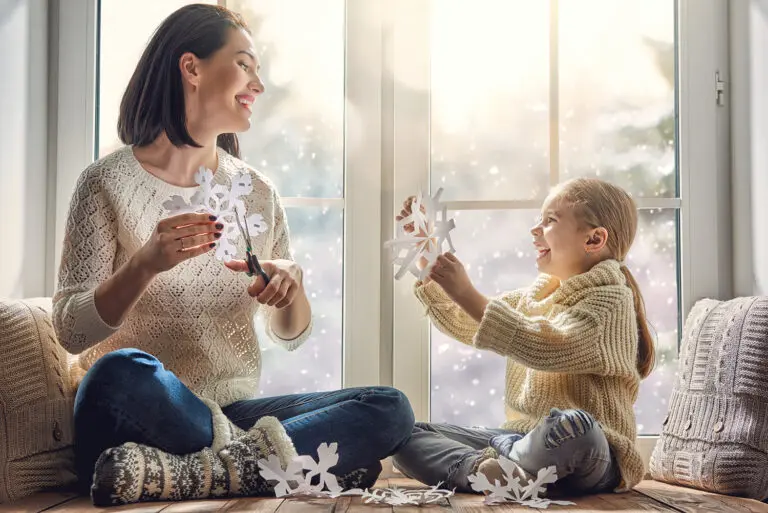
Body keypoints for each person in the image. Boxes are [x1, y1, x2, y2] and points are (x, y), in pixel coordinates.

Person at [53, 4, 413, 506]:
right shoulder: (105, 183)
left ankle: (195, 473)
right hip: (133, 415)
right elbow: (70, 330)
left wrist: (291, 290)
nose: (257, 85)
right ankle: (278, 467)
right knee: (119, 372)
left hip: (229, 412)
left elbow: (289, 334)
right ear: (192, 68)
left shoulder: (255, 192)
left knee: (388, 407)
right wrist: (145, 264)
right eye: (244, 64)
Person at [392, 178, 654, 496]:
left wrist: (466, 291)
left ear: (594, 239)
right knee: (404, 434)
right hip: (522, 441)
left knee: (574, 426)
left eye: (549, 221)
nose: (535, 230)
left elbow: (549, 343)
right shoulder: (534, 296)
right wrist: (428, 256)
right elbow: (470, 322)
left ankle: (505, 465)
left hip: (593, 453)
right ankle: (488, 471)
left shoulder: (611, 301)